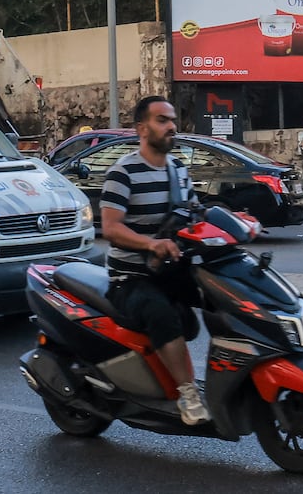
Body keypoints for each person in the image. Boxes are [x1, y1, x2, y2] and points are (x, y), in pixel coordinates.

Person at [99, 96, 209, 425]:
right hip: (131, 278)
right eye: (162, 120)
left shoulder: (178, 171)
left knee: (224, 295)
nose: (172, 126)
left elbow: (194, 214)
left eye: (173, 119)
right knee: (162, 314)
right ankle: (187, 394)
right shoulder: (123, 173)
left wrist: (237, 221)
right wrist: (151, 244)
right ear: (142, 128)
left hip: (171, 270)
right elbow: (111, 228)